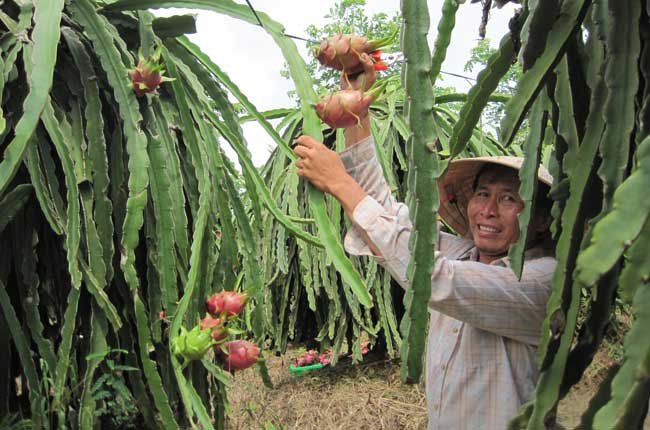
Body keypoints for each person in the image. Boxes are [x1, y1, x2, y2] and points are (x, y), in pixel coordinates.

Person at [293, 53, 557, 430]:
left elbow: (430, 275)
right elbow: (386, 216)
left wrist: (338, 183)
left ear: (544, 220)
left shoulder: (541, 281)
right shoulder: (463, 253)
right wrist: (357, 114)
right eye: (482, 194)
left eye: (510, 199)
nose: (488, 210)